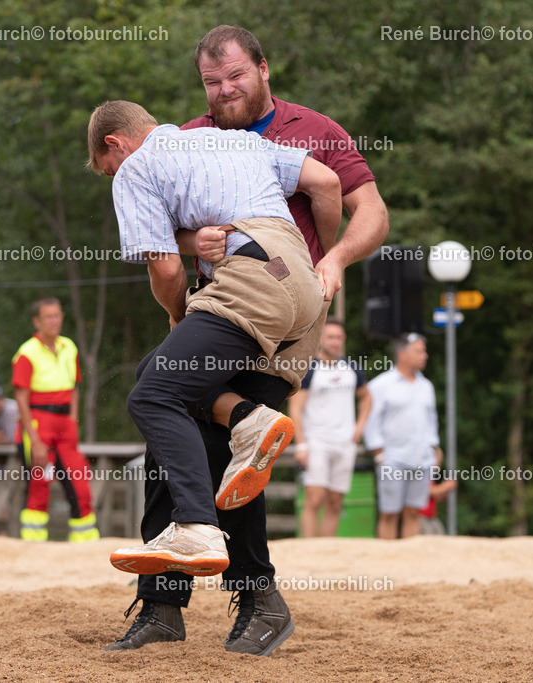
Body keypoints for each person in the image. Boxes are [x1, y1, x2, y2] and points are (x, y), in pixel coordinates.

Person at [104, 25, 388, 656]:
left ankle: (245, 594)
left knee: (178, 412)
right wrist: (195, 242)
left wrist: (334, 258)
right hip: (228, 303)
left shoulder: (313, 129)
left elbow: (365, 206)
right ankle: (173, 603)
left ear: (264, 68)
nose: (224, 90)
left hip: (273, 304)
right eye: (212, 82)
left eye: (235, 76)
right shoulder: (192, 138)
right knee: (192, 438)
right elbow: (167, 238)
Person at [89, 99, 340, 575]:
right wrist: (325, 258)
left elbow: (164, 268)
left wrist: (177, 316)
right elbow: (326, 183)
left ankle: (197, 527)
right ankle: (247, 420)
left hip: (250, 279)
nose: (113, 177)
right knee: (155, 370)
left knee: (153, 394)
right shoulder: (236, 139)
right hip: (305, 284)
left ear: (114, 143)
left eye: (107, 170)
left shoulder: (135, 168)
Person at [12, 297, 99, 543]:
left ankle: (85, 544)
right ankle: (33, 546)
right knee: (39, 485)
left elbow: (74, 388)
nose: (54, 321)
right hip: (38, 423)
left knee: (80, 482)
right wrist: (34, 439)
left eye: (57, 315)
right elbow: (20, 398)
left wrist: (73, 421)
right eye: (48, 317)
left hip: (64, 425)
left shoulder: (69, 347)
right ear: (37, 321)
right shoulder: (27, 353)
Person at [289, 317, 372, 538]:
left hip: (345, 442)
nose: (335, 342)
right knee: (314, 497)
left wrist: (360, 426)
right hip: (317, 441)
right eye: (331, 337)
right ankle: (309, 549)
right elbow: (295, 407)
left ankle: (327, 549)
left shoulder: (351, 368)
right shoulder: (310, 369)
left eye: (339, 337)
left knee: (336, 501)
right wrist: (301, 445)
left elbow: (366, 398)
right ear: (320, 338)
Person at [365, 333, 440, 540]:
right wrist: (379, 455)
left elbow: (432, 420)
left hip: (421, 458)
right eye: (419, 351)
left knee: (414, 512)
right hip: (393, 458)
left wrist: (434, 451)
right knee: (389, 512)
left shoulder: (426, 386)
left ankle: (409, 562)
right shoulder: (381, 385)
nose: (424, 356)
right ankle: (387, 562)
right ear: (402, 354)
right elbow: (371, 421)